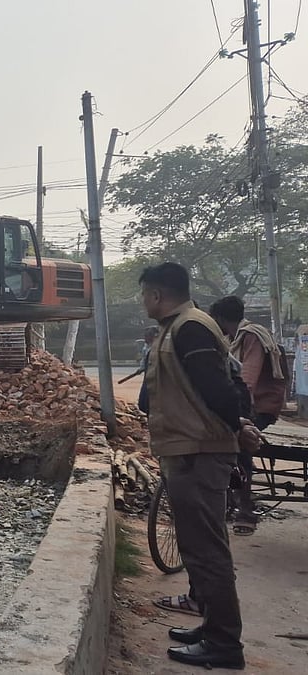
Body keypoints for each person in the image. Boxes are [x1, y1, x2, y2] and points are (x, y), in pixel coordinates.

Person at [138, 262, 260, 669]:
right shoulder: (175, 330)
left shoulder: (190, 328)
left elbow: (219, 388)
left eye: (144, 295)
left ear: (157, 295)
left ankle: (225, 644)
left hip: (199, 452)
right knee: (197, 547)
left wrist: (238, 427)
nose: (143, 302)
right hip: (186, 450)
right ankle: (211, 627)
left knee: (208, 551)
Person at [210, 295, 285, 536]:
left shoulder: (251, 336)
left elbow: (247, 378)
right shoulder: (230, 339)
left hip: (261, 405)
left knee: (241, 444)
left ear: (220, 319)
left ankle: (246, 509)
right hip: (241, 401)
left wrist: (239, 415)